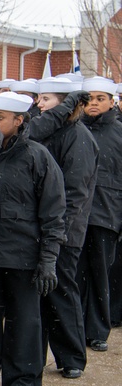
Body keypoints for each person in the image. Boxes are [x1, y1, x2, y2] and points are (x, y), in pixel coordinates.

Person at [0, 92, 66, 386]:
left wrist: (48, 260)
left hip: (23, 256)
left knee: (24, 322)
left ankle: (23, 381)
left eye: (0, 117)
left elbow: (53, 212)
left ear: (19, 120)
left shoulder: (37, 157)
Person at [31, 77, 99, 379]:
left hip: (63, 232)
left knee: (62, 293)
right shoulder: (49, 132)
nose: (39, 104)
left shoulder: (77, 137)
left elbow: (75, 193)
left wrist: (57, 236)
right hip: (41, 230)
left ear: (64, 102)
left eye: (46, 99)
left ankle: (72, 356)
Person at [77, 77, 122, 351]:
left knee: (100, 274)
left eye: (100, 99)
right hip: (76, 216)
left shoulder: (119, 133)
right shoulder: (74, 130)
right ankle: (75, 327)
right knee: (75, 274)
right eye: (89, 99)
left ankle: (96, 330)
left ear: (111, 101)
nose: (93, 104)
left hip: (106, 214)